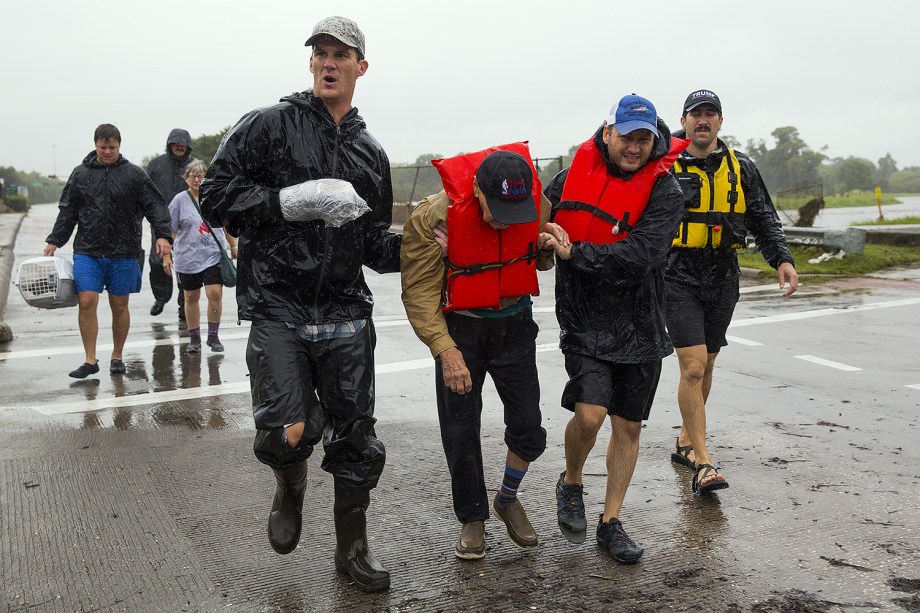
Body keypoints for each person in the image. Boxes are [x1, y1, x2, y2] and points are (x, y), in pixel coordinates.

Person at [200, 16, 400, 593]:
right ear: (310, 62)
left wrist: (424, 247)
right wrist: (289, 201)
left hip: (344, 311)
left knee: (356, 437)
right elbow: (214, 196)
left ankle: (353, 550)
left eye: (342, 54)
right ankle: (289, 486)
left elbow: (372, 245)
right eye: (321, 53)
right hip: (278, 305)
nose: (329, 62)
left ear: (361, 67)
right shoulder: (269, 125)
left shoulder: (370, 153)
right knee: (286, 429)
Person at [401, 146, 569, 560]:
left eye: (513, 211)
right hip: (462, 331)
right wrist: (446, 351)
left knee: (529, 427)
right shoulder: (432, 217)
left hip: (515, 326)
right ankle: (472, 517)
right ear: (476, 189)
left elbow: (537, 263)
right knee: (460, 432)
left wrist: (547, 245)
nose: (501, 220)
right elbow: (419, 293)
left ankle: (507, 497)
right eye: (495, 209)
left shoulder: (536, 201)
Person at [540, 94, 686, 564]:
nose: (635, 147)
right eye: (627, 136)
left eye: (644, 139)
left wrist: (574, 254)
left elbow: (642, 255)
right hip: (584, 317)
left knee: (628, 424)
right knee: (590, 415)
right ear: (607, 132)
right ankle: (572, 480)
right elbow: (535, 229)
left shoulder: (666, 191)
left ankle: (611, 521)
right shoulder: (566, 179)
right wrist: (545, 241)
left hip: (641, 321)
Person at [665, 89, 798, 494]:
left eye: (710, 114)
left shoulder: (742, 168)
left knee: (707, 361)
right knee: (692, 367)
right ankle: (703, 463)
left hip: (723, 273)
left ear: (720, 122)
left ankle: (687, 441)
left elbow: (763, 219)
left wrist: (782, 260)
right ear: (684, 122)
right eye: (695, 115)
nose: (703, 121)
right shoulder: (664, 166)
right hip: (677, 272)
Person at [44, 123, 173, 378]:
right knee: (87, 300)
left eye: (111, 147)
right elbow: (67, 210)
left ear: (119, 146)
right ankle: (90, 359)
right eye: (102, 147)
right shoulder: (80, 174)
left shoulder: (134, 175)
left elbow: (155, 206)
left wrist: (164, 236)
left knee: (119, 305)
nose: (107, 152)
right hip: (87, 250)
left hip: (123, 251)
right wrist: (55, 240)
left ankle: (117, 355)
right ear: (95, 145)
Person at [163, 160, 236, 353]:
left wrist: (233, 245)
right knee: (191, 296)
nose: (197, 180)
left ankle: (213, 336)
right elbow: (170, 230)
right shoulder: (179, 201)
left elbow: (225, 224)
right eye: (192, 176)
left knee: (215, 293)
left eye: (201, 176)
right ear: (186, 179)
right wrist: (166, 255)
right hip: (187, 258)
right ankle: (194, 338)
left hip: (213, 255)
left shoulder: (214, 198)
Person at [147, 128, 195, 320]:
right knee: (157, 262)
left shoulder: (194, 166)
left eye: (182, 145)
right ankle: (161, 297)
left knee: (186, 264)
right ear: (170, 145)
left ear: (188, 147)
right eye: (176, 144)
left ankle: (184, 305)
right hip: (161, 223)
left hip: (188, 225)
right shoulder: (156, 165)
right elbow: (146, 193)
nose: (179, 148)